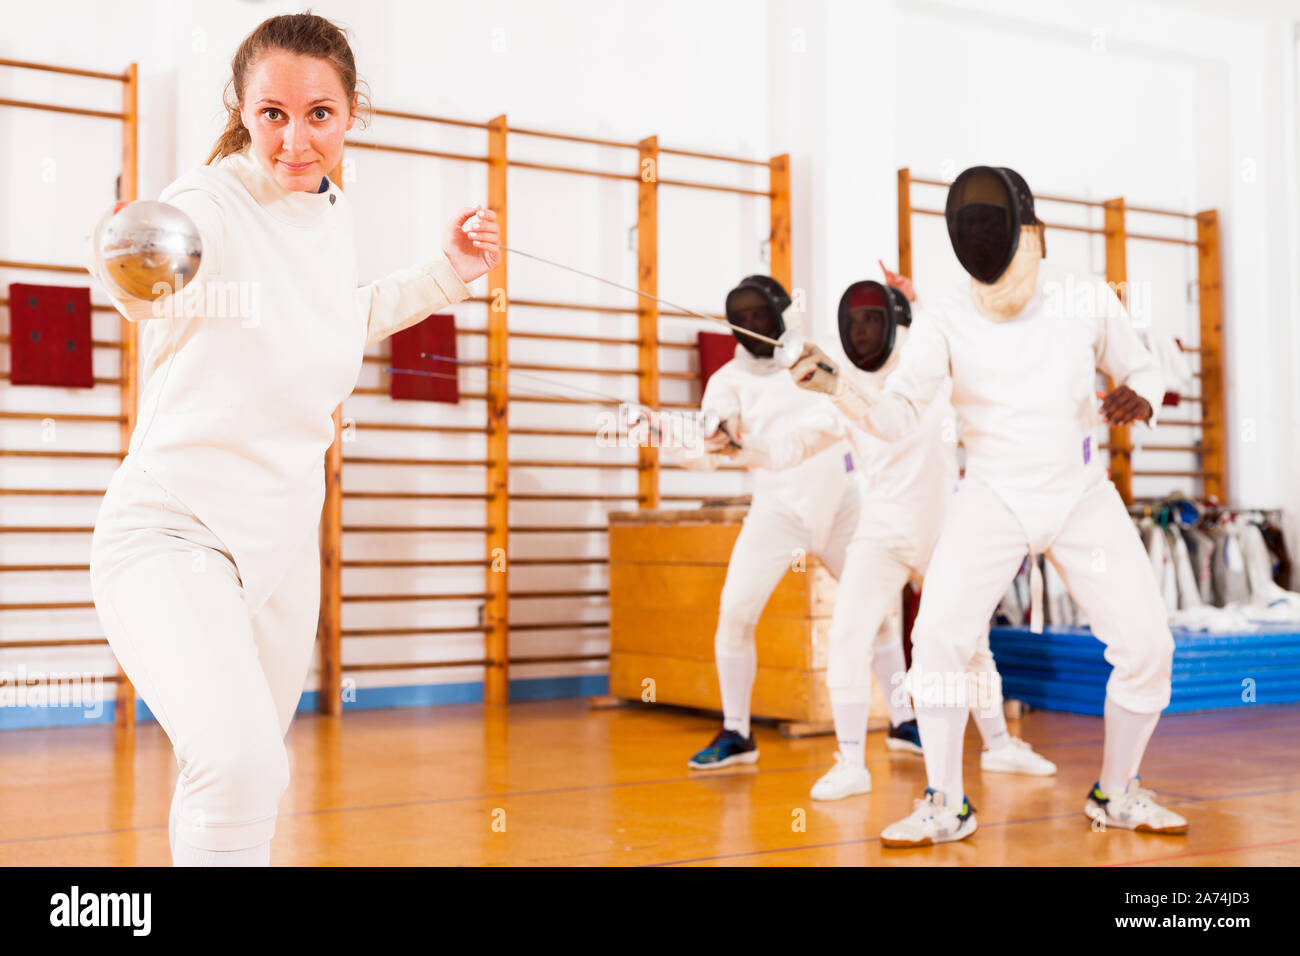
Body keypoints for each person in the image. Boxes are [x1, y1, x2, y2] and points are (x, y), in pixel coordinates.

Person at [87, 13, 499, 866]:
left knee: (236, 784)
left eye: (320, 114)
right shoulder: (212, 199)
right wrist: (129, 261)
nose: (296, 138)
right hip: (173, 532)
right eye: (272, 113)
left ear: (353, 113)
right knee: (239, 766)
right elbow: (157, 283)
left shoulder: (329, 212)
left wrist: (450, 270)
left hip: (278, 551)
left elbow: (338, 317)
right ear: (242, 111)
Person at [791, 166, 1185, 845]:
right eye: (966, 226)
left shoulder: (1082, 295)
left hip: (1080, 492)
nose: (978, 235)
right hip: (994, 494)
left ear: (1025, 227)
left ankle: (1117, 792)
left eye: (988, 222)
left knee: (1148, 642)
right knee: (938, 640)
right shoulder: (943, 315)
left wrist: (1142, 396)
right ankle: (946, 800)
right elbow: (895, 416)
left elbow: (1141, 365)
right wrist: (837, 387)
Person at [740, 268, 1055, 801]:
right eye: (853, 322)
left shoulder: (932, 378)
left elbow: (946, 338)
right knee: (847, 635)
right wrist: (736, 444)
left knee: (970, 643)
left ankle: (999, 745)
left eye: (872, 320)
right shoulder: (843, 393)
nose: (861, 331)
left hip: (945, 531)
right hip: (880, 534)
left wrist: (916, 298)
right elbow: (786, 449)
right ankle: (849, 762)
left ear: (893, 324)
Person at [660, 275, 922, 772]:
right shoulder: (728, 381)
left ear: (782, 313)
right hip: (777, 511)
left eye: (763, 315)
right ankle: (737, 732)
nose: (756, 326)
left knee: (880, 613)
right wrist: (716, 433)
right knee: (735, 612)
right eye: (746, 320)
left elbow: (878, 374)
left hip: (845, 504)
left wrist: (904, 306)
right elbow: (716, 423)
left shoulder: (818, 359)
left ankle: (903, 721)